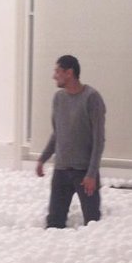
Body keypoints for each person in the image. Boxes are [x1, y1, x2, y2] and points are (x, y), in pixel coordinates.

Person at [35, 55, 106, 228]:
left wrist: (91, 174)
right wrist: (42, 159)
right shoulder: (58, 98)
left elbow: (99, 140)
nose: (54, 76)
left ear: (69, 73)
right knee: (54, 222)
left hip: (84, 173)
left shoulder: (91, 97)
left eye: (57, 71)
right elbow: (57, 134)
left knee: (92, 223)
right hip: (61, 170)